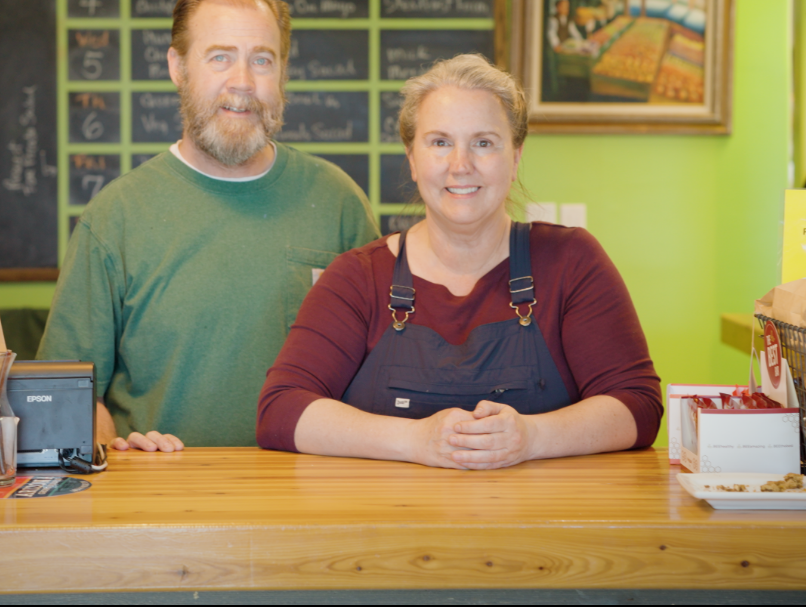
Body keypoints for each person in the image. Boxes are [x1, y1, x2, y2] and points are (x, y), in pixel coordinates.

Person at [257, 55, 661, 470]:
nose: (461, 165)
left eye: (483, 142)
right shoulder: (359, 278)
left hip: (538, 529)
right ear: (413, 160)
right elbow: (282, 409)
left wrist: (532, 437)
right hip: (390, 528)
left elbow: (637, 405)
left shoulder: (572, 262)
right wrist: (414, 440)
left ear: (516, 157)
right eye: (440, 142)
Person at [39, 0, 380, 453]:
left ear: (281, 74)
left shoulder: (338, 202)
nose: (242, 81)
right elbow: (66, 395)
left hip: (312, 501)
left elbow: (384, 373)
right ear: (177, 68)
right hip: (162, 507)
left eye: (262, 59)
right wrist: (112, 449)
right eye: (219, 56)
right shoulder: (116, 217)